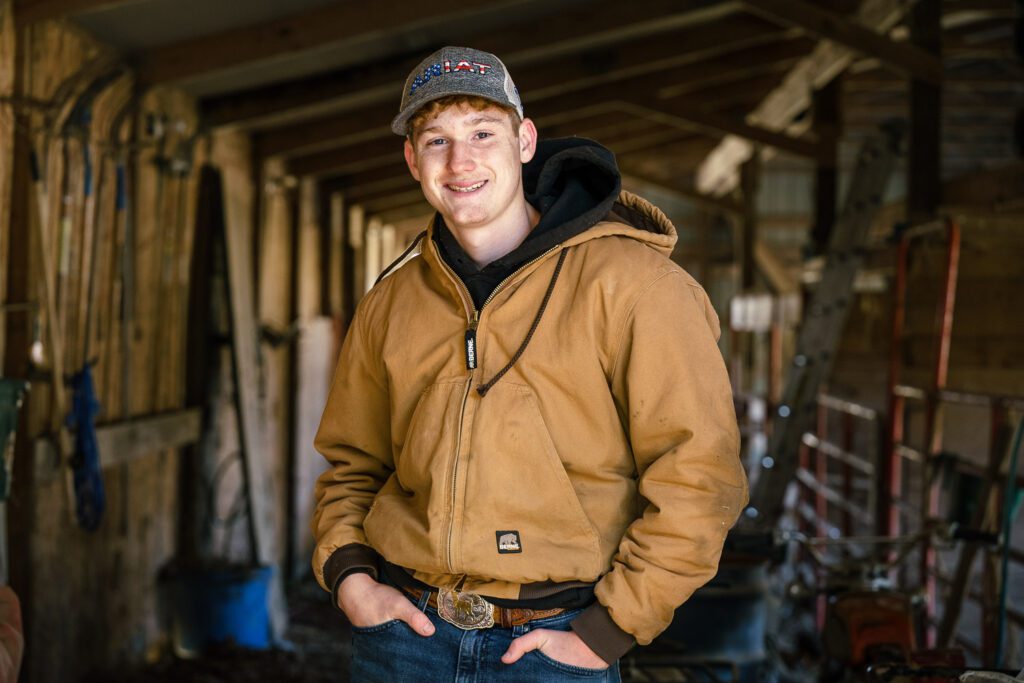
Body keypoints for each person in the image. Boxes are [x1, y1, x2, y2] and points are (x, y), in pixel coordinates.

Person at [311, 46, 748, 682]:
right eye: (436, 140)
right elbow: (352, 463)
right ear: (411, 160)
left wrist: (611, 629)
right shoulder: (391, 302)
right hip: (404, 639)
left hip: (556, 643)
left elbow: (699, 476)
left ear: (524, 141)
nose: (460, 162)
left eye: (483, 133)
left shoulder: (637, 287)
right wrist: (352, 578)